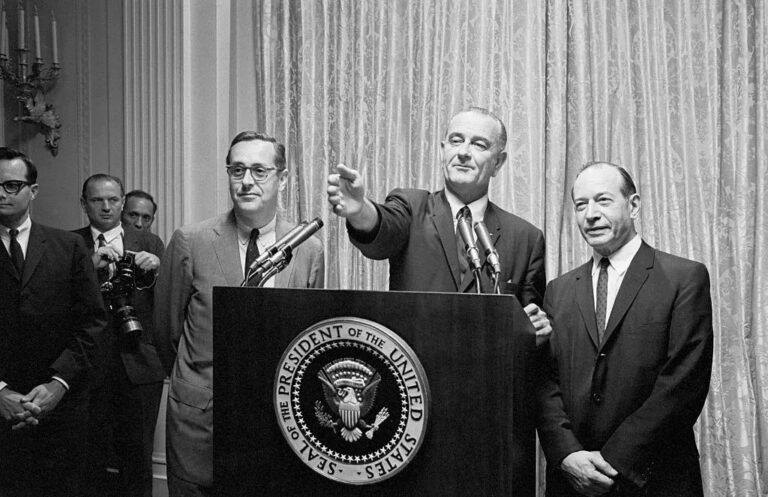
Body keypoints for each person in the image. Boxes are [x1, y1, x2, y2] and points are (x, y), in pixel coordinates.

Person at [155, 131, 325, 496]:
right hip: (199, 420)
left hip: (275, 421)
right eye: (237, 170)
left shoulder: (308, 249)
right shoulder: (191, 240)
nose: (247, 181)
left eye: (260, 171)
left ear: (283, 178)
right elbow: (167, 332)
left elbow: (310, 337)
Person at [537, 162, 713, 496]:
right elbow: (546, 381)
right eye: (581, 204)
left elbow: (683, 383)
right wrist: (568, 454)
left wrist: (612, 461)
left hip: (654, 480)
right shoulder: (558, 290)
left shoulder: (683, 279)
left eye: (603, 201)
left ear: (633, 205)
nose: (590, 214)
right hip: (572, 482)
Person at [327, 106, 550, 339]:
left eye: (479, 145)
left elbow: (532, 328)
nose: (463, 152)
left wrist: (537, 333)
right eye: (456, 141)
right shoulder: (412, 206)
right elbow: (382, 233)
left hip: (489, 372)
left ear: (498, 163)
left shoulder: (526, 238)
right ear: (442, 151)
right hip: (416, 370)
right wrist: (361, 209)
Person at [0, 147, 106, 496]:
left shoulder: (69, 246)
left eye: (12, 185)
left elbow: (92, 324)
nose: (2, 193)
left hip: (61, 411)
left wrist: (58, 385)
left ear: (34, 190)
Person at [74, 174, 166, 497]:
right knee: (89, 454)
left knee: (138, 458)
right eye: (97, 200)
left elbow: (169, 303)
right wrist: (89, 266)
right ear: (84, 204)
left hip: (140, 364)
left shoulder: (150, 243)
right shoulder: (70, 243)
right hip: (88, 365)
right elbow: (58, 303)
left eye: (113, 200)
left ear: (122, 202)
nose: (106, 206)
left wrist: (158, 270)